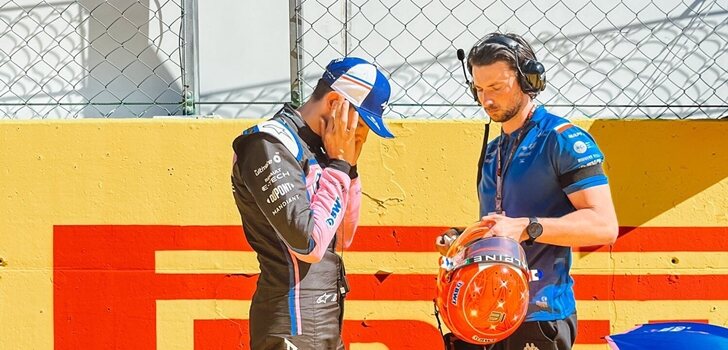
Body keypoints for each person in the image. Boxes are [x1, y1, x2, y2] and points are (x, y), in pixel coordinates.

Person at [436, 33, 619, 349]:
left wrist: (526, 228)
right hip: (484, 313)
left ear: (529, 80)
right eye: (478, 89)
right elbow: (505, 231)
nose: (486, 99)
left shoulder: (563, 140)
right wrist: (465, 239)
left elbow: (604, 226)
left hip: (540, 314)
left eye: (496, 87)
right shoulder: (494, 149)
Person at [231, 57, 394, 349]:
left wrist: (349, 170)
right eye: (362, 124)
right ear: (335, 103)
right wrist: (340, 166)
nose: (362, 135)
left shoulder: (325, 151)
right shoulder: (268, 143)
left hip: (325, 321)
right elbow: (309, 244)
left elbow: (342, 236)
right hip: (291, 326)